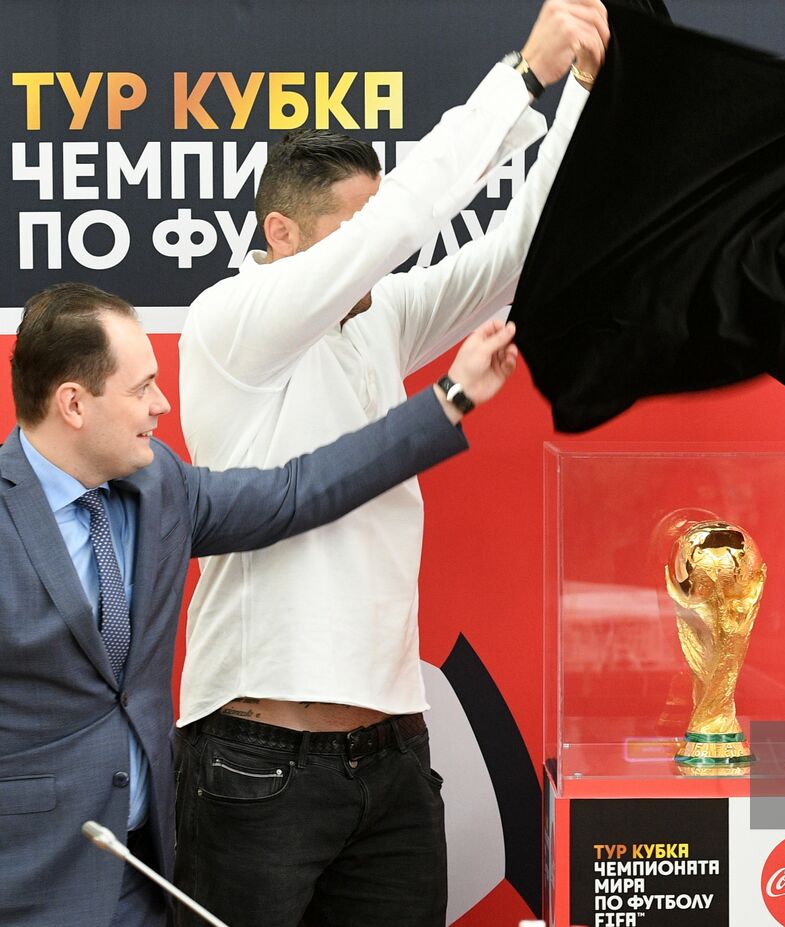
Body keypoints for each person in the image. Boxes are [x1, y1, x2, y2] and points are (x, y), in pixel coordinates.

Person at [172, 2, 609, 924]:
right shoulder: (230, 323)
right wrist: (522, 77)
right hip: (256, 759)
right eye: (353, 231)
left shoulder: (381, 319)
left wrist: (577, 95)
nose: (377, 255)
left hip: (393, 757)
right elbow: (400, 225)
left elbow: (517, 251)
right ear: (282, 235)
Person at [0, 282, 518, 927]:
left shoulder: (160, 486)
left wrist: (451, 397)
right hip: (29, 876)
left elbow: (297, 491)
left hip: (140, 874)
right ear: (74, 403)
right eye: (141, 388)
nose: (162, 404)